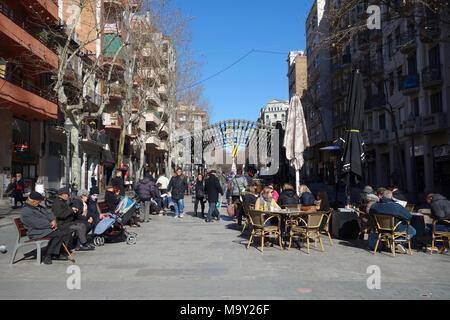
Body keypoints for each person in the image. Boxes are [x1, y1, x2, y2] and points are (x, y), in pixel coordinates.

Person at [20, 191, 73, 265]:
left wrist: (53, 220)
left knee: (66, 231)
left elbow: (49, 213)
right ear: (33, 201)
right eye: (39, 201)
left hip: (45, 229)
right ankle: (47, 255)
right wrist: (51, 225)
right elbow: (36, 224)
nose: (39, 203)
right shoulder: (26, 211)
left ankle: (56, 253)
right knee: (58, 234)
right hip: (36, 231)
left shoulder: (37, 207)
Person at [369, 190, 416, 254]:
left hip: (380, 228)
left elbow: (370, 215)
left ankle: (395, 242)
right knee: (412, 230)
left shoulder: (374, 206)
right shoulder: (396, 206)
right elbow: (409, 216)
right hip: (395, 228)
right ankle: (398, 242)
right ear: (391, 197)